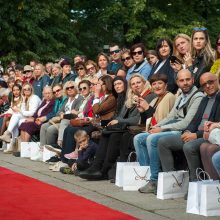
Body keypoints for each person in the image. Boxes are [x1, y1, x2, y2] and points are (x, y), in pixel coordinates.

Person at [133, 69, 204, 193]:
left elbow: (186, 123)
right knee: (138, 138)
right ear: (177, 82)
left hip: (184, 130)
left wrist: (161, 129)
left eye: (188, 79)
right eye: (182, 80)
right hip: (172, 126)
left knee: (153, 139)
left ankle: (155, 180)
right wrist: (155, 127)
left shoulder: (198, 96)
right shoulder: (181, 95)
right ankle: (147, 177)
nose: (185, 83)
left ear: (193, 80)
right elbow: (171, 116)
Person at [158, 72, 220, 182]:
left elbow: (214, 126)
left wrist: (196, 135)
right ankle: (172, 183)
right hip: (194, 133)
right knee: (163, 142)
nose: (207, 86)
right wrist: (187, 131)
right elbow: (194, 120)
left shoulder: (218, 98)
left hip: (207, 135)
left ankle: (195, 182)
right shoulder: (204, 99)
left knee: (189, 147)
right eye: (204, 84)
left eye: (210, 82)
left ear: (217, 81)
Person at [54, 75, 116, 169]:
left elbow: (96, 110)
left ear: (106, 85)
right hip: (94, 121)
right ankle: (64, 159)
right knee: (69, 128)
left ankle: (71, 157)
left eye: (99, 84)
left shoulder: (111, 98)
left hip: (101, 124)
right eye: (96, 84)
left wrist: (96, 95)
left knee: (71, 130)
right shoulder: (102, 97)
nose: (96, 86)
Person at [0, 83, 41, 150]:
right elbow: (20, 110)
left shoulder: (34, 98)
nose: (26, 90)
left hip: (35, 119)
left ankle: (8, 136)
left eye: (28, 89)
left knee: (16, 116)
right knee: (15, 118)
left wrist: (19, 110)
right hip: (27, 117)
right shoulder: (25, 98)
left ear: (31, 89)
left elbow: (32, 113)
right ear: (23, 91)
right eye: (25, 89)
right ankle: (12, 143)